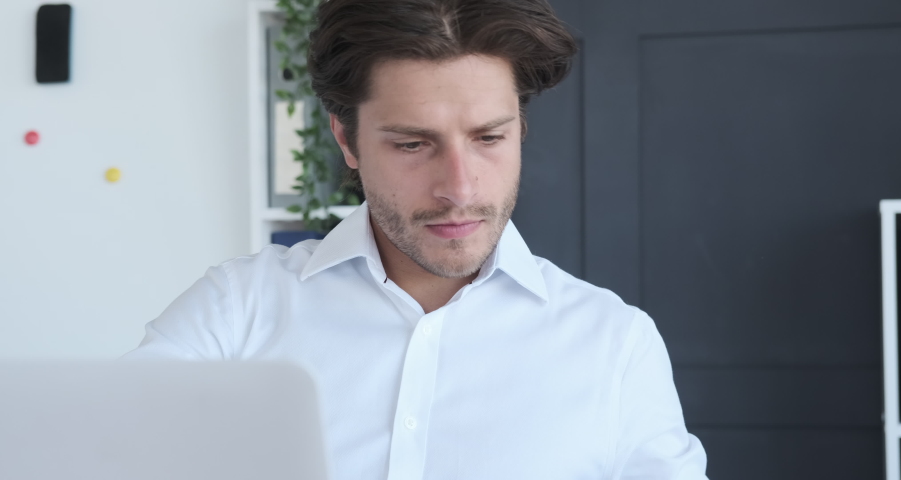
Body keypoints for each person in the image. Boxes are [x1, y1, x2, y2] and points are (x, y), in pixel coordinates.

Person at [126, 0, 709, 478]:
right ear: (347, 141)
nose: (458, 188)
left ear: (520, 131)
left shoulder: (615, 344)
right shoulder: (236, 312)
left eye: (488, 138)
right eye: (412, 144)